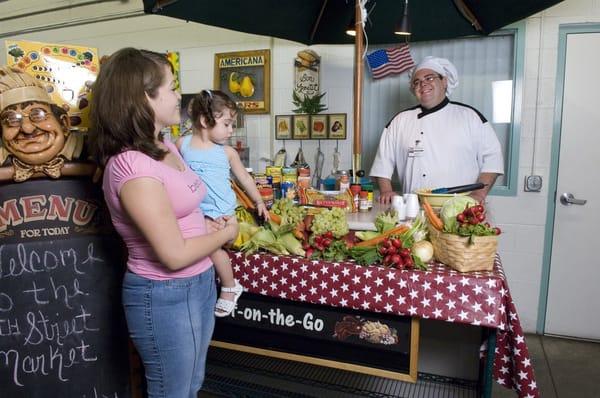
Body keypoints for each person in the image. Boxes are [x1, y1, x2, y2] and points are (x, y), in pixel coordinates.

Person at [87, 48, 239, 398]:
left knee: (191, 384)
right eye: (171, 88)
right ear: (144, 97)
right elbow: (172, 255)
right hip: (165, 293)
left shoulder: (165, 145)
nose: (177, 97)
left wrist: (206, 226)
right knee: (173, 392)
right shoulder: (131, 167)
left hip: (199, 282)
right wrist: (227, 233)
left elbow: (179, 211)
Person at [177, 89, 268, 317]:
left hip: (224, 215)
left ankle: (230, 286)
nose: (231, 130)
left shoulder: (227, 152)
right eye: (227, 124)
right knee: (195, 252)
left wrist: (259, 201)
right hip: (196, 215)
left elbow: (245, 178)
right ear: (204, 120)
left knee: (214, 249)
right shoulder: (182, 145)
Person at [369, 56, 504, 204]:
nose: (423, 84)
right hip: (414, 208)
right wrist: (386, 190)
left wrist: (479, 195)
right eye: (417, 82)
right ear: (413, 89)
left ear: (444, 82)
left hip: (460, 208)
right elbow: (383, 163)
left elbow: (493, 158)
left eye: (429, 78)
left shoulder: (470, 116)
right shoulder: (399, 121)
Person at [0, 66, 91, 182]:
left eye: (38, 115)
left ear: (63, 124)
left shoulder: (94, 151)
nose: (27, 129)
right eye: (12, 119)